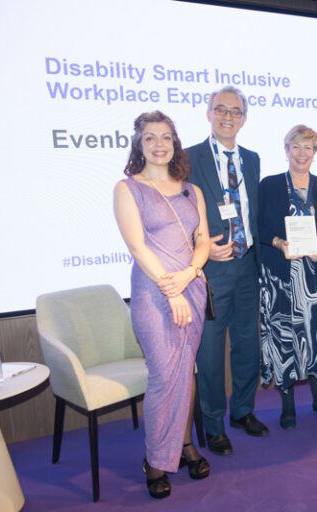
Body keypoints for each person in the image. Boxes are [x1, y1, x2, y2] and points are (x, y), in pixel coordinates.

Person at [114, 111, 211, 499]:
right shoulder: (127, 189)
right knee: (163, 377)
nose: (159, 144)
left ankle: (184, 446)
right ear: (139, 144)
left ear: (175, 143)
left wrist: (189, 275)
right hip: (155, 294)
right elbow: (137, 246)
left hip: (191, 287)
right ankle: (155, 460)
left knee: (186, 372)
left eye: (166, 137)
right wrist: (171, 291)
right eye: (150, 137)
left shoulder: (191, 190)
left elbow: (203, 239)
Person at [185, 86, 268, 455]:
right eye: (221, 109)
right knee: (211, 353)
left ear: (244, 119)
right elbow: (178, 214)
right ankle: (215, 425)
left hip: (249, 266)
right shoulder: (188, 158)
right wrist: (199, 250)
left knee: (249, 344)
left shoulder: (252, 159)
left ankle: (243, 411)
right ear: (208, 113)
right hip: (212, 270)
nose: (228, 116)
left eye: (235, 111)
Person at [258, 125, 317, 430]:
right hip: (282, 278)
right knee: (284, 340)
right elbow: (261, 229)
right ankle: (288, 407)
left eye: (308, 148)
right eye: (296, 147)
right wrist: (280, 243)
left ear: (315, 153)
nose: (302, 153)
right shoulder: (269, 185)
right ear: (286, 150)